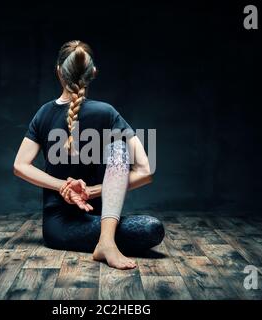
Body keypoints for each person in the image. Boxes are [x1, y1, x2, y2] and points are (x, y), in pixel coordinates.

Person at [14, 40, 164, 270]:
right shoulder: (107, 112)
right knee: (151, 228)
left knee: (119, 150)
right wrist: (69, 187)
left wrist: (78, 189)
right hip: (72, 225)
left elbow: (20, 166)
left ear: (58, 72)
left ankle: (106, 240)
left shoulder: (43, 112)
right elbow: (146, 170)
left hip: (64, 228)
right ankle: (107, 242)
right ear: (93, 72)